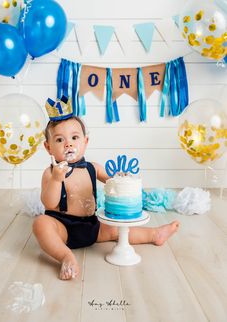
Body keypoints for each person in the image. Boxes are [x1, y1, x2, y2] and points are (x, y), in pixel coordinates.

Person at [33, 113, 179, 281]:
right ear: (48, 147)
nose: (68, 144)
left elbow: (113, 182)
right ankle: (65, 256)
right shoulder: (50, 173)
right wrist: (57, 179)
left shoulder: (93, 168)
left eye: (74, 137)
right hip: (62, 227)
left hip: (92, 225)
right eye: (59, 140)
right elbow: (49, 203)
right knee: (41, 224)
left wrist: (121, 178)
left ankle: (154, 234)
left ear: (85, 142)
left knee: (118, 229)